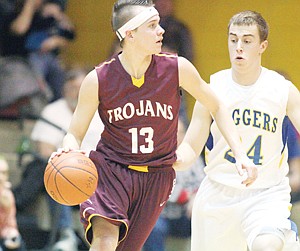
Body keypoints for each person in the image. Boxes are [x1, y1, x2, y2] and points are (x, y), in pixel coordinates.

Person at [52, 1, 257, 250]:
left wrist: (240, 154)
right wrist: (68, 149)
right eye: (152, 26)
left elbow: (217, 106)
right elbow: (74, 133)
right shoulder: (98, 79)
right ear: (130, 34)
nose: (161, 31)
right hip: (111, 169)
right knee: (105, 240)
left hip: (157, 175)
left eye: (158, 24)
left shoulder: (177, 68)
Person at [174, 10, 300, 251]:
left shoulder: (282, 89)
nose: (238, 47)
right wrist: (173, 159)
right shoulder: (212, 88)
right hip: (218, 194)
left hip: (266, 192)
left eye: (247, 40)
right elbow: (191, 147)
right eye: (233, 40)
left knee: (267, 245)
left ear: (262, 46)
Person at [14, 67, 103, 251]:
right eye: (73, 87)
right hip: (65, 170)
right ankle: (66, 234)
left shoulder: (102, 111)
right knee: (59, 175)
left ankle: (107, 237)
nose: (77, 91)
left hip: (98, 174)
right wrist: (72, 166)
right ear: (64, 89)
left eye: (81, 86)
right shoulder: (52, 111)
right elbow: (45, 150)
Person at [143, 117, 205, 251]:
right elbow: (160, 189)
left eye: (181, 132)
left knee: (208, 217)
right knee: (152, 227)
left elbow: (204, 183)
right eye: (174, 132)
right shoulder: (156, 157)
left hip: (186, 216)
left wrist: (197, 197)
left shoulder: (193, 157)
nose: (178, 136)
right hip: (162, 216)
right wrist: (188, 196)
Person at [0, 156, 26, 251]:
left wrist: (11, 236)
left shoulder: (7, 194)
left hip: (5, 236)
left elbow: (10, 224)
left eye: (4, 173)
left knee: (18, 243)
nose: (1, 176)